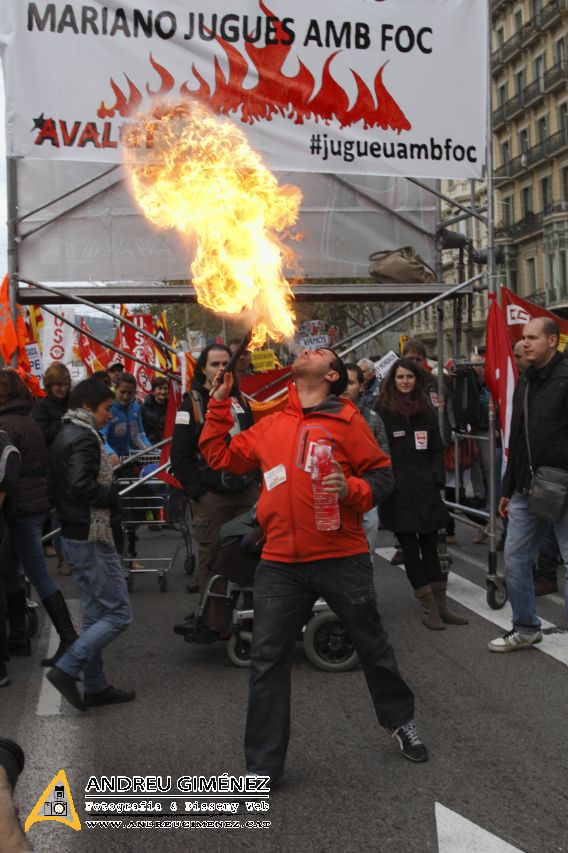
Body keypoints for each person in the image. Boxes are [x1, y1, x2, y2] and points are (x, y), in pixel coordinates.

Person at [200, 346, 428, 782]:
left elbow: (382, 476)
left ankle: (401, 721)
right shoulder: (273, 423)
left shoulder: (347, 421)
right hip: (280, 561)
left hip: (341, 557)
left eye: (321, 352)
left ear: (330, 376)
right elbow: (220, 458)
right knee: (267, 662)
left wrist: (351, 490)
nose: (309, 350)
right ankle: (262, 769)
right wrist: (217, 404)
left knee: (372, 643)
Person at [47, 378, 134, 709]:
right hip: (90, 533)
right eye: (107, 409)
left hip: (73, 532)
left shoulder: (65, 432)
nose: (110, 416)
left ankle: (96, 686)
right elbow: (80, 485)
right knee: (118, 614)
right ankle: (68, 669)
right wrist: (110, 497)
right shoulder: (83, 436)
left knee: (98, 614)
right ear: (87, 406)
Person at [489, 317, 568, 652]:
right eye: (523, 338)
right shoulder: (525, 379)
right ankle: (525, 627)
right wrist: (507, 489)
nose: (524, 344)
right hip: (526, 487)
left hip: (563, 485)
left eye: (532, 338)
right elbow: (517, 439)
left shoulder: (565, 378)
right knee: (516, 558)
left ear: (553, 341)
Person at [376, 359, 468, 629]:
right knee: (409, 548)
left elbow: (436, 448)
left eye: (410, 377)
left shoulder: (426, 409)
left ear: (417, 380)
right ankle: (429, 608)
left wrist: (436, 478)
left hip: (426, 487)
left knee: (430, 545)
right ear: (393, 380)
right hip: (398, 489)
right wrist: (387, 483)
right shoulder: (382, 410)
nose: (405, 381)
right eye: (400, 377)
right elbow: (378, 451)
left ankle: (442, 606)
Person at [0, 370, 78, 667]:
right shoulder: (27, 418)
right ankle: (19, 636)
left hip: (19, 507)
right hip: (34, 504)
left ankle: (68, 637)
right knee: (8, 567)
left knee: (36, 571)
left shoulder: (5, 423)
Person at [170, 344, 259, 606]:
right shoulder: (191, 405)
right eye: (215, 364)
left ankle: (247, 615)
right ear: (203, 370)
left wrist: (255, 480)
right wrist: (199, 494)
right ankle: (212, 617)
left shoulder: (241, 401)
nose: (222, 369)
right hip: (212, 498)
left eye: (225, 364)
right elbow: (180, 457)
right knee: (212, 556)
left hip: (246, 492)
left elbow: (253, 442)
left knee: (252, 552)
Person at [343, 362, 390, 555]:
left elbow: (384, 459)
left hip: (364, 494)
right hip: (334, 496)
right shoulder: (320, 416)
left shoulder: (371, 419)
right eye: (342, 383)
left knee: (364, 554)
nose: (345, 388)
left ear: (361, 386)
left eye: (351, 383)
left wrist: (372, 491)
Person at [31, 362, 72, 574]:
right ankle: (63, 559)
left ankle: (74, 556)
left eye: (65, 384)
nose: (62, 389)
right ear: (49, 385)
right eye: (58, 385)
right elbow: (41, 436)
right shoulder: (41, 408)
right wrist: (63, 422)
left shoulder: (73, 404)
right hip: (53, 467)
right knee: (57, 515)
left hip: (73, 464)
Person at [102, 372, 151, 459]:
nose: (126, 396)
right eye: (122, 392)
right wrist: (111, 454)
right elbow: (102, 438)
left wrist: (149, 448)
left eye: (130, 393)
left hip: (127, 456)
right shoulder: (108, 408)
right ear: (116, 389)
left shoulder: (135, 407)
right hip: (110, 460)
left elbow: (138, 433)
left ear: (134, 393)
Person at [141, 376, 169, 445]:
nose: (163, 392)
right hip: (149, 447)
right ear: (153, 391)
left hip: (166, 446)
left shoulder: (172, 408)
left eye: (165, 389)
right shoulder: (144, 408)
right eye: (159, 389)